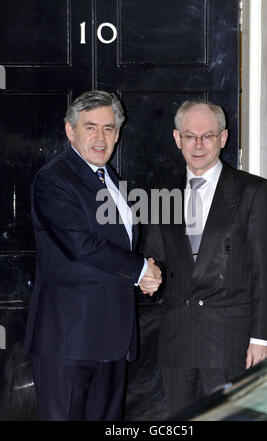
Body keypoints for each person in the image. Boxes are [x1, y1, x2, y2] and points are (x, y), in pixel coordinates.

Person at [24, 90, 161, 421]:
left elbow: (117, 243)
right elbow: (80, 244)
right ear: (70, 131)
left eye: (109, 128)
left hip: (112, 340)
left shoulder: (111, 178)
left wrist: (144, 270)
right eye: (90, 127)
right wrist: (141, 268)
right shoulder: (54, 179)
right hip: (68, 342)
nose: (101, 137)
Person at [140, 100, 267, 417]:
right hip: (177, 344)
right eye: (190, 136)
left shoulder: (253, 191)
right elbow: (156, 257)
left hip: (230, 343)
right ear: (177, 139)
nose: (199, 144)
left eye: (208, 135)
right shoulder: (161, 193)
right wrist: (149, 275)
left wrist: (260, 339)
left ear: (223, 138)